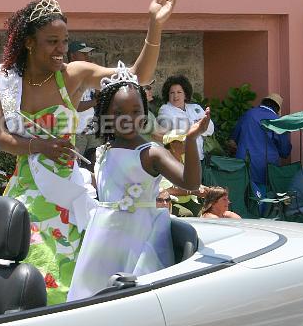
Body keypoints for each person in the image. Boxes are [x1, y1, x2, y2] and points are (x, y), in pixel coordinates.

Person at [0, 0, 181, 304]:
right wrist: (38, 146)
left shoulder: (74, 74)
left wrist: (155, 25)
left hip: (69, 191)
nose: (60, 50)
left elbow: (137, 75)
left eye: (64, 42)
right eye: (52, 42)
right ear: (28, 42)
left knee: (74, 277)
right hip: (27, 190)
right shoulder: (7, 79)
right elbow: (3, 138)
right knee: (26, 273)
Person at [67, 67, 209, 301]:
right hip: (103, 239)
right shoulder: (103, 152)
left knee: (135, 299)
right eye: (119, 112)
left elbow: (191, 183)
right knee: (94, 297)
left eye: (136, 111)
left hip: (140, 238)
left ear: (145, 115)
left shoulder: (151, 152)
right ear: (105, 115)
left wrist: (191, 140)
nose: (128, 118)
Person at [230, 93, 292, 195]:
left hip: (243, 165)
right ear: (278, 108)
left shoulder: (248, 114)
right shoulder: (277, 120)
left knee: (243, 196)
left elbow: (233, 141)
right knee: (262, 200)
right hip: (265, 167)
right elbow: (285, 151)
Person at [157, 75, 214, 161]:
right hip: (179, 161)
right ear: (168, 95)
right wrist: (198, 124)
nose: (175, 96)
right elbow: (178, 131)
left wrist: (194, 127)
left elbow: (210, 129)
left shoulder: (195, 107)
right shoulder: (164, 109)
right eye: (172, 93)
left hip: (200, 158)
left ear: (185, 95)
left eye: (179, 92)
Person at [160, 130, 208, 216]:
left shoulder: (186, 159)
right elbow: (168, 189)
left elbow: (192, 180)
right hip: (171, 201)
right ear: (172, 144)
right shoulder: (163, 162)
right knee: (187, 215)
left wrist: (203, 188)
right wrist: (193, 191)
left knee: (204, 214)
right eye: (181, 141)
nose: (185, 144)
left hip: (190, 200)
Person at [140, 79, 165, 143]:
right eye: (147, 88)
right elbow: (155, 135)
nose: (151, 90)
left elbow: (160, 130)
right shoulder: (140, 113)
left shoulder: (148, 112)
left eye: (150, 87)